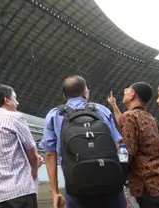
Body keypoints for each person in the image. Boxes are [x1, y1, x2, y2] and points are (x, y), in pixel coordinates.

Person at [39, 75, 126, 208]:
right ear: (85, 93)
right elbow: (117, 145)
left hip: (77, 186)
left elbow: (50, 155)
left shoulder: (54, 115)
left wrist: (55, 192)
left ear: (64, 95)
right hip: (110, 184)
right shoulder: (101, 110)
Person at [107, 82, 159, 208]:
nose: (125, 91)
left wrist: (116, 174)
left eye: (127, 89)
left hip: (149, 187)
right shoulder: (151, 118)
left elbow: (128, 154)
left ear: (132, 94)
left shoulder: (129, 117)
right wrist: (114, 105)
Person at [0, 84, 43, 208]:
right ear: (6, 100)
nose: (17, 103)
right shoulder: (15, 117)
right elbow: (33, 154)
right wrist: (33, 174)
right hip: (20, 193)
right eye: (15, 98)